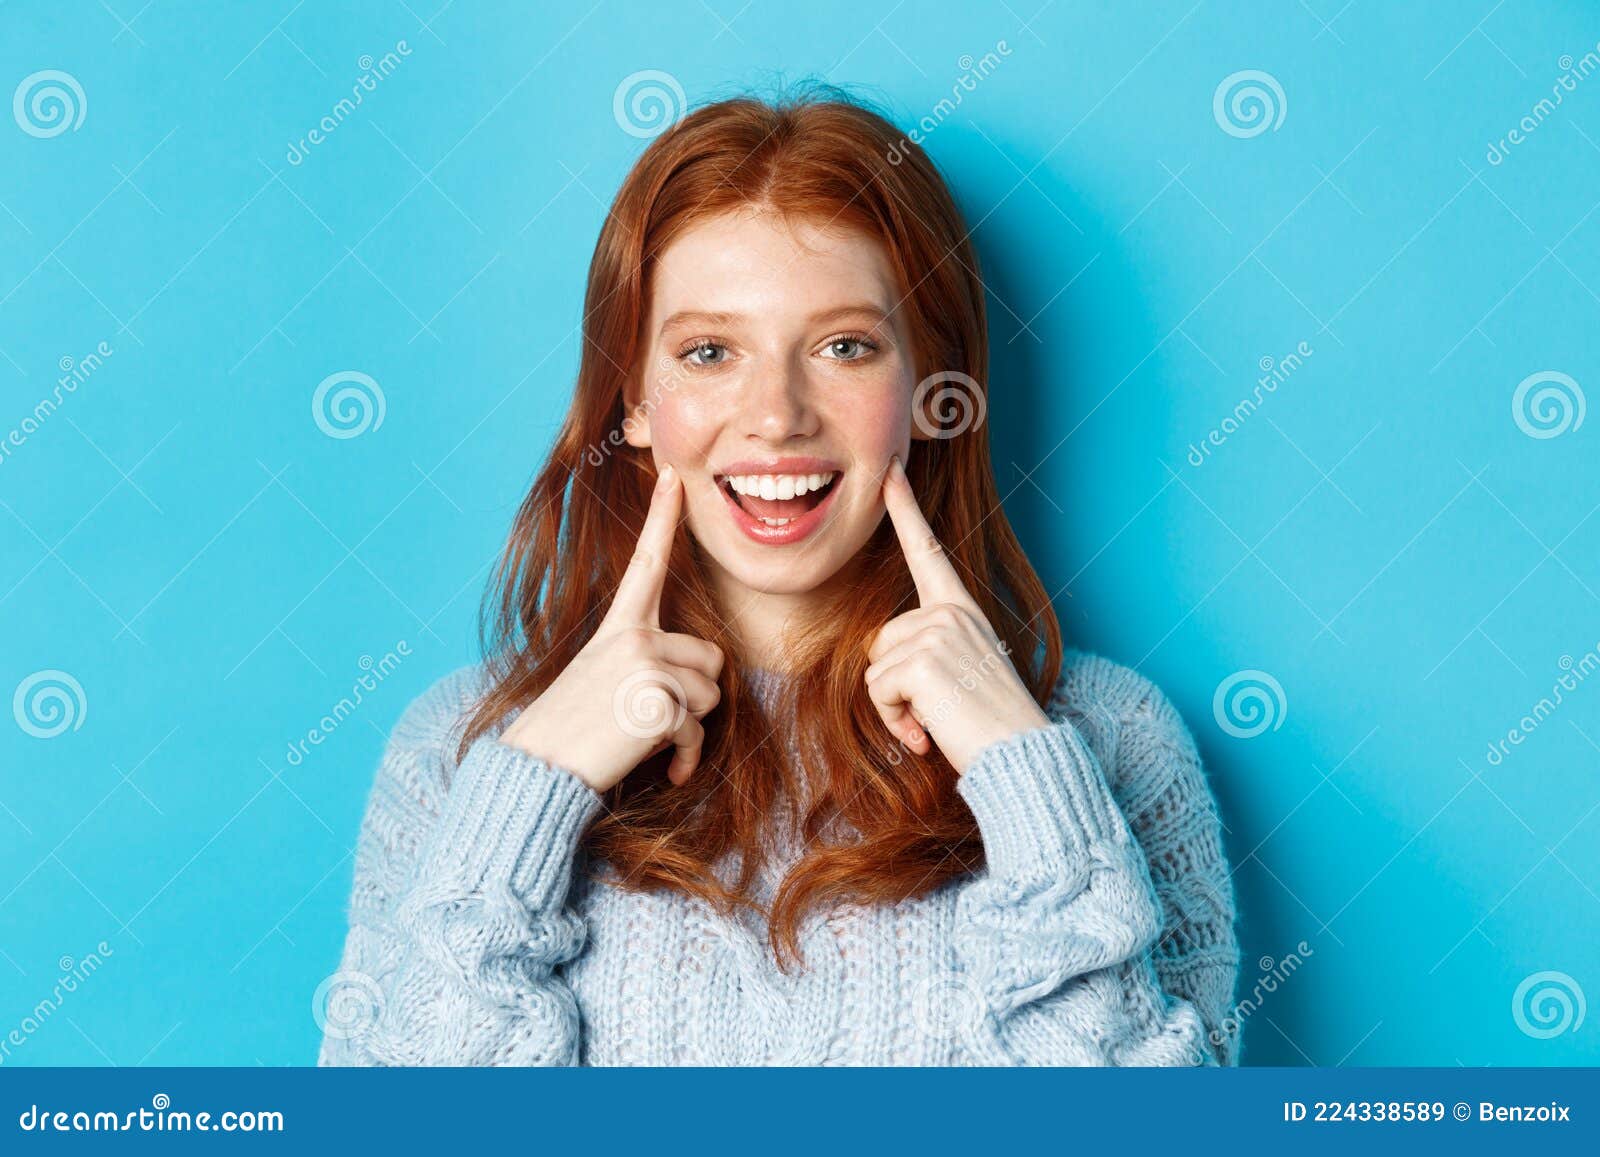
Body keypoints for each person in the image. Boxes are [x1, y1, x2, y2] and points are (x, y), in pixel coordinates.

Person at [317, 84, 1240, 1066]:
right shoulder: (462, 750)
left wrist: (1027, 783)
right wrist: (530, 791)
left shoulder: (1106, 742)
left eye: (844, 345)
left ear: (933, 390)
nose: (775, 413)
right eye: (709, 351)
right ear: (633, 401)